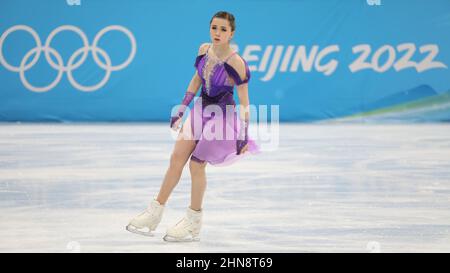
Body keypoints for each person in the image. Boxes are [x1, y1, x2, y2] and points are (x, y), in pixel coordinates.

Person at [126, 11, 260, 242]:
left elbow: (245, 102)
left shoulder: (237, 63)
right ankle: (154, 213)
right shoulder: (203, 49)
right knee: (177, 158)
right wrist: (183, 107)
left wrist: (244, 134)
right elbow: (197, 79)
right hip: (201, 109)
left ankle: (193, 222)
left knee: (197, 165)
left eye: (223, 30)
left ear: (231, 33)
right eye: (214, 28)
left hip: (222, 116)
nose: (217, 33)